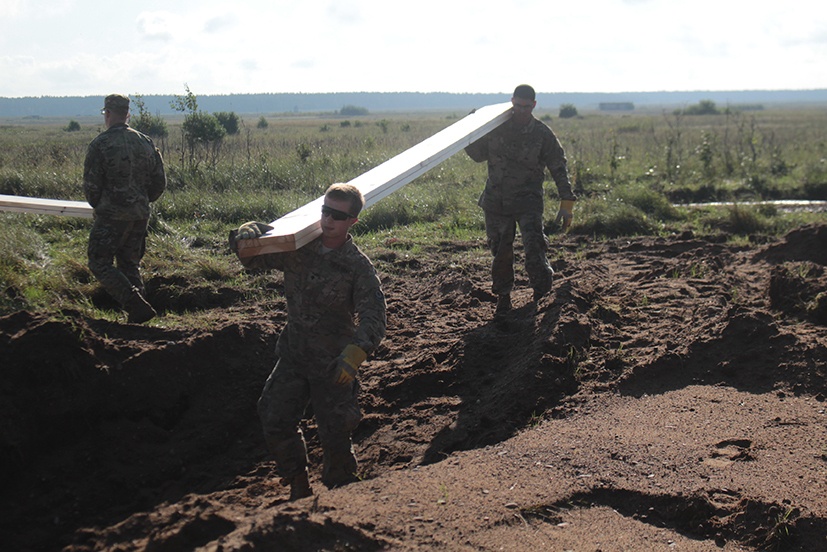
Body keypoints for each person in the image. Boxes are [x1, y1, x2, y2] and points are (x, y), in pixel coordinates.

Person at [229, 183, 387, 500]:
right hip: (295, 356)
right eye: (325, 211)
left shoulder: (357, 266)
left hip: (333, 364)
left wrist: (354, 354)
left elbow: (374, 315)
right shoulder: (299, 248)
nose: (328, 220)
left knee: (335, 432)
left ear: (352, 222)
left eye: (337, 216)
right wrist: (245, 236)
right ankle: (298, 482)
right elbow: (253, 260)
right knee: (273, 416)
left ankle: (342, 491)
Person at [465, 84, 576, 316]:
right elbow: (477, 154)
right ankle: (503, 298)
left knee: (535, 248)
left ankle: (541, 294)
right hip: (497, 202)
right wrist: (470, 127)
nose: (521, 111)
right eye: (517, 106)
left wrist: (567, 202)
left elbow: (558, 166)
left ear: (534, 105)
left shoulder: (542, 134)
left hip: (528, 202)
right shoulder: (496, 128)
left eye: (526, 107)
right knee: (501, 252)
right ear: (511, 102)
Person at [83, 94, 166, 323]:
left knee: (99, 261)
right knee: (129, 263)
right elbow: (160, 182)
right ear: (128, 114)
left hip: (112, 215)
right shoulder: (145, 142)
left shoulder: (100, 144)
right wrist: (141, 201)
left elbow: (91, 187)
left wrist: (101, 205)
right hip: (140, 215)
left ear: (107, 114)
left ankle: (134, 303)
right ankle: (139, 316)